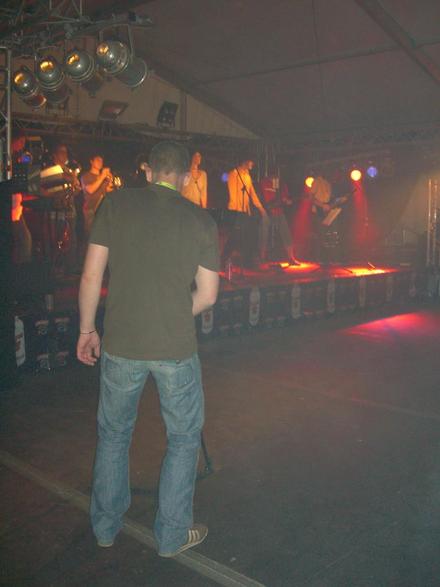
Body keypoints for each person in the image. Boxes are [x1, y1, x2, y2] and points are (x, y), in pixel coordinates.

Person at [77, 140, 219, 557]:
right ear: (186, 177)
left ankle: (105, 527)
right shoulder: (201, 219)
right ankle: (172, 536)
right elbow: (208, 295)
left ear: (148, 170)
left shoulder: (115, 204)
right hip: (175, 346)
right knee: (183, 438)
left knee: (114, 434)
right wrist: (171, 314)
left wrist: (87, 329)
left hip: (121, 343)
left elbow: (91, 276)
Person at [223, 158, 268, 268]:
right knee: (234, 236)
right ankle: (223, 259)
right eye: (251, 161)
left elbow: (252, 194)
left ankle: (247, 262)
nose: (252, 164)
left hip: (245, 211)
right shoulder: (233, 174)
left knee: (248, 236)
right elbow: (232, 195)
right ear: (245, 161)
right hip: (236, 211)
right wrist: (236, 212)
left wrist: (261, 208)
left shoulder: (247, 176)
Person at [259, 173, 297, 264]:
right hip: (266, 213)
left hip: (279, 212)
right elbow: (260, 197)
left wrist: (287, 201)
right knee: (263, 235)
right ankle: (262, 257)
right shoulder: (264, 182)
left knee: (286, 233)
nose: (275, 177)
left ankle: (291, 258)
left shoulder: (282, 185)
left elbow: (285, 198)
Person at [80, 153, 113, 235]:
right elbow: (90, 190)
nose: (100, 162)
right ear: (91, 161)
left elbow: (108, 192)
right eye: (98, 160)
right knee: (91, 235)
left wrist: (111, 181)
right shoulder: (86, 176)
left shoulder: (104, 178)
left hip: (103, 210)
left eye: (101, 161)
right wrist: (102, 176)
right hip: (90, 210)